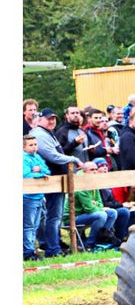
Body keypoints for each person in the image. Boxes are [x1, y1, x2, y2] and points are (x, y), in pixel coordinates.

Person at [30, 108, 96, 257]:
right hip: (49, 181)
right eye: (48, 119)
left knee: (54, 217)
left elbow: (58, 155)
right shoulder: (39, 134)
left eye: (53, 118)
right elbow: (53, 156)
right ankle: (52, 249)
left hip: (57, 180)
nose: (52, 121)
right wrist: (75, 159)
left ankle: (54, 248)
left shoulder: (47, 133)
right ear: (40, 119)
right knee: (50, 218)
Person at [23, 135, 50, 260]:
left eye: (35, 144)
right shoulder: (23, 159)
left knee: (35, 225)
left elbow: (47, 171)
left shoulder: (37, 157)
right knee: (28, 226)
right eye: (31, 145)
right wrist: (40, 174)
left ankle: (31, 249)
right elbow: (26, 174)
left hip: (39, 196)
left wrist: (39, 170)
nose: (34, 147)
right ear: (24, 147)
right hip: (28, 197)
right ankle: (28, 251)